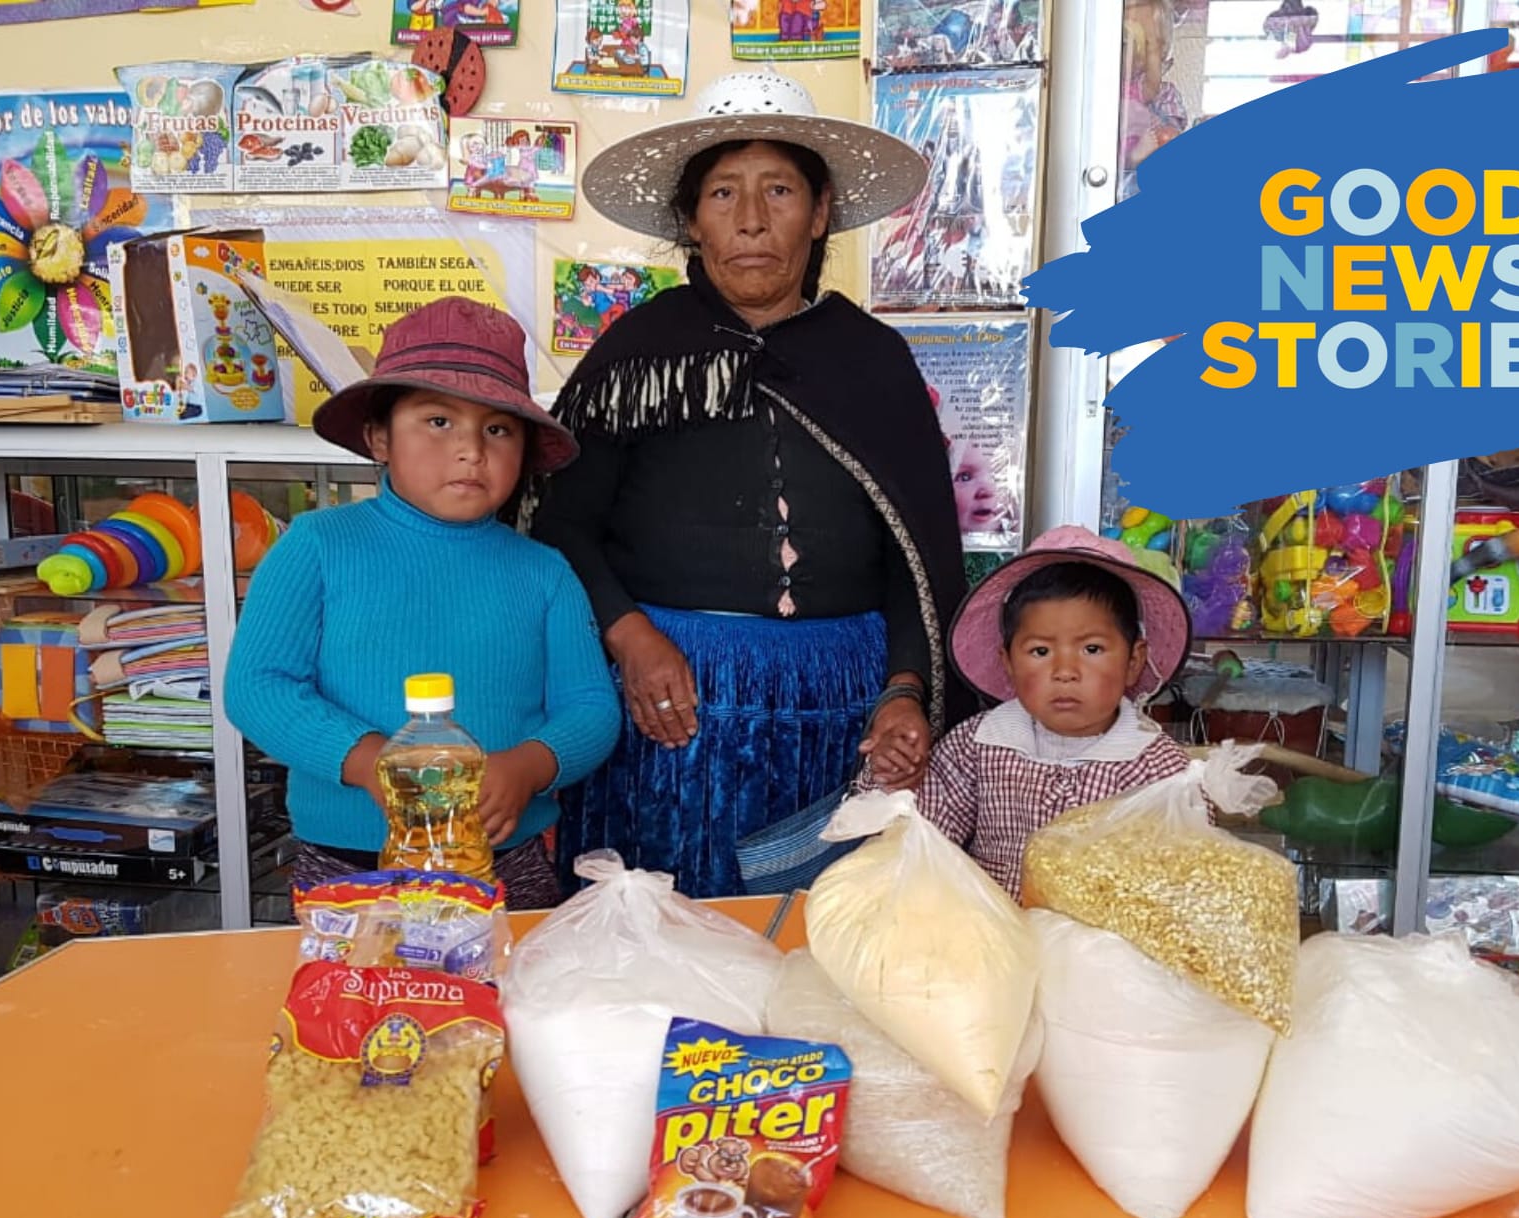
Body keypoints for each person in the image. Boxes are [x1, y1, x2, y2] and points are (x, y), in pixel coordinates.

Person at [541, 71, 970, 897]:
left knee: (824, 935)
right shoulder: (637, 353)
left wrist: (906, 690)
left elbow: (917, 560)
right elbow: (561, 525)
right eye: (723, 193)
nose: (750, 219)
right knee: (669, 935)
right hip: (671, 705)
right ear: (690, 220)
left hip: (844, 709)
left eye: (779, 190)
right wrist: (630, 639)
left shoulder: (873, 360)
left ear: (820, 212)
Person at [226, 297, 621, 909]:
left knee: (499, 1000)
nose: (471, 449)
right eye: (438, 421)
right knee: (354, 1002)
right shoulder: (318, 546)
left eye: (497, 429)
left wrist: (531, 765)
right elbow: (259, 687)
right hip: (347, 860)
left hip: (504, 859)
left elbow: (591, 708)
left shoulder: (544, 572)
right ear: (379, 437)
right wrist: (371, 764)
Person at [913, 525, 1197, 900]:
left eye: (1092, 649)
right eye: (1040, 652)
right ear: (1009, 663)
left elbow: (1184, 871)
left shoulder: (1157, 767)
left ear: (1134, 661)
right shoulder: (980, 742)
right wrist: (898, 775)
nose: (1065, 671)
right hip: (995, 938)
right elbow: (926, 828)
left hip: (1101, 948)